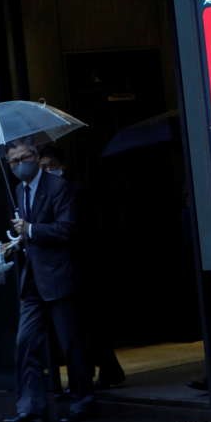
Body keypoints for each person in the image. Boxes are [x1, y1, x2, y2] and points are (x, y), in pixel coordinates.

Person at [1, 140, 95, 422]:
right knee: (25, 343)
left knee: (70, 343)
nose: (19, 165)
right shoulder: (19, 190)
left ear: (36, 156)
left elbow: (66, 229)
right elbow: (30, 234)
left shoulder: (58, 187)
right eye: (13, 161)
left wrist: (30, 229)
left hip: (59, 277)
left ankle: (83, 400)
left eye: (23, 157)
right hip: (32, 280)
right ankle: (31, 407)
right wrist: (17, 242)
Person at [38, 144, 126, 392]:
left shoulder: (71, 191)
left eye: (48, 166)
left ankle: (91, 375)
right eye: (42, 167)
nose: (45, 171)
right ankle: (107, 370)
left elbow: (73, 229)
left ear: (60, 166)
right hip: (77, 266)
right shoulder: (61, 191)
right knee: (88, 324)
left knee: (86, 324)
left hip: (83, 265)